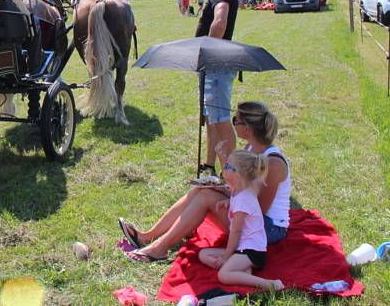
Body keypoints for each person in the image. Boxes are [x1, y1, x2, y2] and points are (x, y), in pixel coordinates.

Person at [121, 101, 291, 263]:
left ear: (247, 128)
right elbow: (241, 185)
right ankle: (147, 236)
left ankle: (158, 250)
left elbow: (259, 208)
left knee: (206, 197)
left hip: (268, 229)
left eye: (235, 120)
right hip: (253, 215)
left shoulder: (273, 163)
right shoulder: (250, 149)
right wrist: (223, 178)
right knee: (201, 191)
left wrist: (226, 194)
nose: (233, 124)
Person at [198, 150, 285, 291]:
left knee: (223, 275)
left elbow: (236, 231)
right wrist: (228, 202)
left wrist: (226, 256)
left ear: (237, 175)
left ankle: (270, 284)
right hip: (242, 248)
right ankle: (243, 271)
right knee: (203, 254)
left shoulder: (243, 198)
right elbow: (239, 203)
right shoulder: (238, 191)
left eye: (227, 167)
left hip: (252, 251)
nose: (224, 168)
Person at [195, 0, 239, 176]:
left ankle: (231, 173)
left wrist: (208, 53)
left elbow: (220, 23)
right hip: (212, 66)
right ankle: (211, 167)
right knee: (212, 120)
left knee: (221, 121)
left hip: (217, 65)